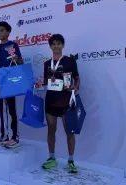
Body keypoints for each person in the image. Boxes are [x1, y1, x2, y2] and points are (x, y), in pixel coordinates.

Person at [40, 34, 80, 173]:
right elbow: (46, 81)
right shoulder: (46, 64)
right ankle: (51, 158)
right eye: (53, 44)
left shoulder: (70, 61)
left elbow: (77, 78)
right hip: (50, 101)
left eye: (59, 43)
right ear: (50, 46)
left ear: (63, 45)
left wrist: (76, 87)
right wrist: (39, 83)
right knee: (51, 131)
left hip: (66, 102)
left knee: (70, 132)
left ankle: (71, 160)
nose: (56, 46)